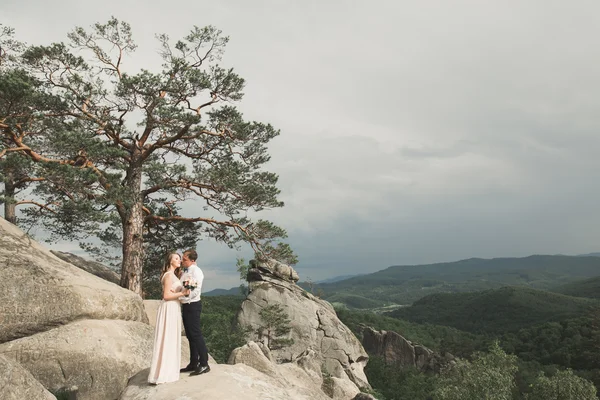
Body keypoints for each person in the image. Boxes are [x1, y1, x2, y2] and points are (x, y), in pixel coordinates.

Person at [147, 253, 190, 384]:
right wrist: (182, 293)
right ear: (170, 261)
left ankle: (170, 370)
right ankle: (162, 373)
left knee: (171, 337)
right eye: (176, 258)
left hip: (174, 307)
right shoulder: (168, 276)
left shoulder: (175, 275)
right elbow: (166, 295)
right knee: (166, 337)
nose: (179, 260)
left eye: (179, 258)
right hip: (169, 307)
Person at [179, 249, 210, 376]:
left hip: (192, 305)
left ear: (192, 260)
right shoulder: (187, 271)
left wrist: (181, 298)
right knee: (190, 336)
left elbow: (194, 291)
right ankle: (193, 363)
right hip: (187, 305)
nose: (182, 261)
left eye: (184, 259)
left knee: (196, 335)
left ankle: (204, 363)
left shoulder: (195, 272)